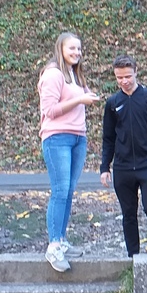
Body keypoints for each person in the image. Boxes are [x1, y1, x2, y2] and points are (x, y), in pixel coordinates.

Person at [100, 55, 147, 257]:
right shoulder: (112, 103)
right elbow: (108, 138)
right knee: (128, 213)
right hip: (123, 166)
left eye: (127, 76)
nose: (124, 81)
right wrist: (104, 167)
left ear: (136, 72)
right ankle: (132, 255)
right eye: (119, 77)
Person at [39, 32, 100, 272]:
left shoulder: (75, 74)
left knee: (69, 191)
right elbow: (50, 110)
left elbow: (81, 98)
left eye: (79, 49)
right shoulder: (53, 74)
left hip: (78, 138)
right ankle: (53, 246)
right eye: (72, 48)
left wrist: (87, 97)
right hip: (57, 138)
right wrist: (80, 100)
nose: (77, 52)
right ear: (60, 49)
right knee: (60, 190)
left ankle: (62, 240)